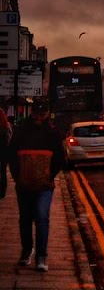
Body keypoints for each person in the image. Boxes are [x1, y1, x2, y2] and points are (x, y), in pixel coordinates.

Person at [8, 98, 63, 272]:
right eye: (37, 114)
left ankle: (41, 256)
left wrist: (50, 175)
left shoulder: (52, 132)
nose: (39, 118)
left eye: (42, 114)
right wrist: (17, 176)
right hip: (24, 184)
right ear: (32, 113)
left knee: (41, 218)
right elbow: (12, 154)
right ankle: (26, 250)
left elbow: (59, 157)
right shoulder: (21, 130)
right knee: (25, 219)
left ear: (46, 114)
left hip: (44, 186)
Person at [0, 102, 12, 198]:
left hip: (3, 149)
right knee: (3, 171)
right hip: (4, 150)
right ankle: (2, 191)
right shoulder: (6, 125)